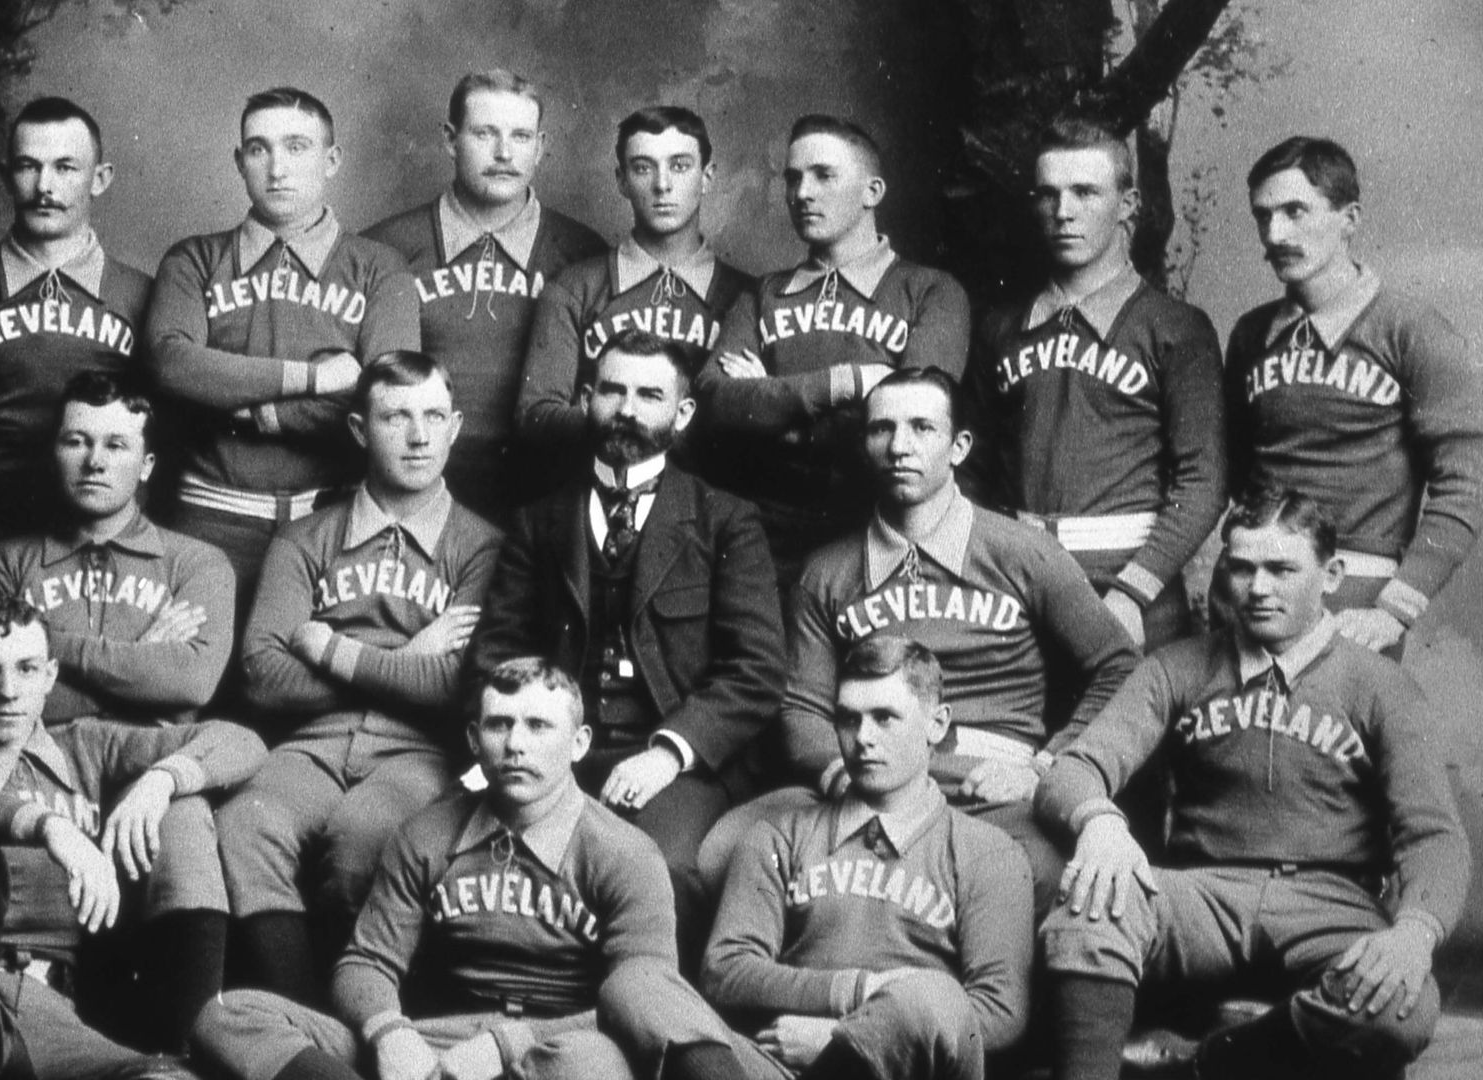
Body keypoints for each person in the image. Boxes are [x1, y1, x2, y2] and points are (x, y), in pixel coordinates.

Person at [1038, 487, 1469, 1080]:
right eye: (1241, 568)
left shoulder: (1378, 684)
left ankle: (1204, 1065)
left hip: (1330, 901)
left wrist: (1416, 933)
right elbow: (1074, 767)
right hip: (1201, 895)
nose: (1258, 588)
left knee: (1401, 1008)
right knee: (1082, 915)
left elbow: (1434, 836)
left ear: (1331, 574)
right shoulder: (1179, 666)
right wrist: (1100, 823)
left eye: (1281, 569)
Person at [194, 658, 758, 1080]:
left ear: (579, 742)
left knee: (592, 1065)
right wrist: (390, 1033)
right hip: (442, 1041)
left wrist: (509, 1045)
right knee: (228, 1015)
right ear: (473, 739)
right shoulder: (428, 833)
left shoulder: (625, 853)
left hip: (561, 1044)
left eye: (539, 727)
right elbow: (367, 962)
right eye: (499, 725)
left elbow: (646, 1005)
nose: (516, 745)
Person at [707, 367, 1136, 910]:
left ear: (958, 447)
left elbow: (1120, 666)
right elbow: (800, 706)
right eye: (881, 429)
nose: (899, 447)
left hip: (987, 790)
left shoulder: (1021, 552)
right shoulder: (829, 570)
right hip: (868, 782)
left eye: (921, 429)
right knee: (719, 854)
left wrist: (1044, 768)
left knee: (1056, 886)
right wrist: (843, 772)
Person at [472, 329, 784, 958]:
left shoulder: (726, 519)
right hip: (559, 751)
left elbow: (757, 668)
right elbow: (497, 653)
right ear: (587, 398)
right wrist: (537, 744)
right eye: (612, 390)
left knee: (664, 871)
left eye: (649, 395)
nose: (628, 410)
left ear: (683, 413)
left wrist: (668, 755)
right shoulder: (540, 521)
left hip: (674, 761)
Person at [0, 596, 265, 1078]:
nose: (8, 691)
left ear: (51, 676)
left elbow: (240, 741)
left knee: (184, 810)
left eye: (28, 669)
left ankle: (192, 1046)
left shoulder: (85, 746)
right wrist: (50, 826)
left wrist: (160, 782)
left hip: (67, 1008)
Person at [225, 350, 502, 1002]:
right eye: (395, 416)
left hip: (418, 752)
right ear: (358, 430)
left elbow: (455, 688)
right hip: (312, 742)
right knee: (245, 825)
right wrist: (410, 655)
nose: (417, 436)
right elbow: (262, 673)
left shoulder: (482, 545)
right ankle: (304, 1027)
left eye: (434, 417)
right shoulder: (308, 538)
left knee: (362, 840)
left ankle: (359, 1022)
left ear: (456, 427)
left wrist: (333, 650)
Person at [147, 86, 420, 648]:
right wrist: (315, 378)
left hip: (333, 522)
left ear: (332, 160)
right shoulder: (194, 259)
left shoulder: (379, 269)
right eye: (259, 149)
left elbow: (385, 398)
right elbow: (172, 366)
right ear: (239, 161)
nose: (277, 168)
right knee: (195, 688)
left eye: (297, 147)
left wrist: (245, 406)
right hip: (208, 517)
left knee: (306, 683)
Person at [700, 636, 1033, 1080]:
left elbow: (998, 1012)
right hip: (780, 1067)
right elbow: (726, 970)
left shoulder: (987, 852)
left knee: (930, 997)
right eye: (848, 719)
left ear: (936, 724)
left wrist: (843, 1039)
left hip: (904, 1073)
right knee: (641, 989)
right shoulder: (780, 834)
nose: (862, 739)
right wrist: (852, 990)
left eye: (884, 718)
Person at [1222, 136, 1483, 658]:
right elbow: (1232, 473)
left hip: (1356, 598)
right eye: (1263, 216)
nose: (1276, 234)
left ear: (1350, 218)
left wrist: (1395, 609)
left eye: (1296, 211)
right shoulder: (1250, 335)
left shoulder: (1413, 330)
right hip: (1252, 592)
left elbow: (1463, 487)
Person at [967, 118, 1225, 649]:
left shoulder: (1176, 328)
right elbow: (969, 466)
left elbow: (1204, 480)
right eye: (1048, 194)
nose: (1063, 213)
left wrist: (1135, 591)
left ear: (1128, 204)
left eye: (1085, 192)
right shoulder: (999, 327)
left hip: (1131, 592)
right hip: (1018, 587)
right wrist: (990, 571)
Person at [693, 115, 970, 584]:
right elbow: (715, 402)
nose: (802, 193)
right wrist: (851, 383)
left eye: (823, 175)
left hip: (877, 538)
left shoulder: (931, 292)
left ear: (873, 191)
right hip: (764, 544)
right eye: (793, 178)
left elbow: (917, 426)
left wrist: (772, 409)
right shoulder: (762, 294)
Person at [0, 96, 152, 574]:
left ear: (99, 179)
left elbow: (158, 432)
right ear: (5, 177)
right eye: (28, 167)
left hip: (98, 541)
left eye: (66, 168)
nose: (45, 186)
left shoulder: (138, 295)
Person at [365, 70, 609, 519]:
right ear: (450, 140)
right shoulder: (386, 248)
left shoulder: (584, 254)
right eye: (484, 134)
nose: (503, 153)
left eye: (520, 136)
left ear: (540, 146)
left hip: (547, 502)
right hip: (417, 501)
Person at [0, 371, 236, 728]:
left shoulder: (198, 564)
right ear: (53, 452)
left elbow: (192, 684)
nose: (95, 462)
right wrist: (141, 662)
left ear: (146, 466)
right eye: (76, 441)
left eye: (116, 445)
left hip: (152, 766)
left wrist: (46, 650)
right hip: (35, 766)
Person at [517, 105, 754, 463]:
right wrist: (642, 424)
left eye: (680, 166)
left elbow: (749, 422)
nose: (662, 184)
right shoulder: (575, 287)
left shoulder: (746, 297)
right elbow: (536, 416)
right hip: (594, 492)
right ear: (622, 180)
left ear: (707, 177)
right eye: (643, 167)